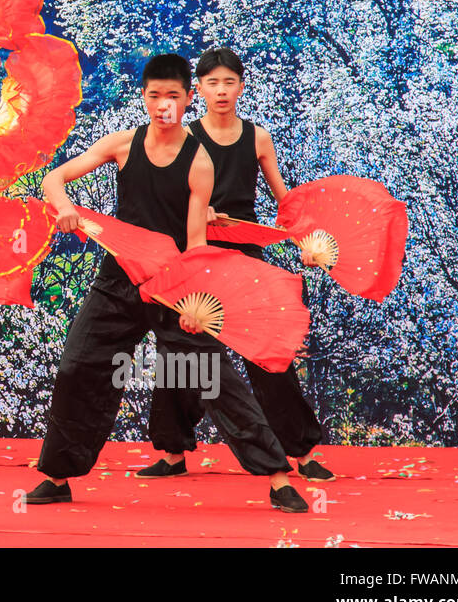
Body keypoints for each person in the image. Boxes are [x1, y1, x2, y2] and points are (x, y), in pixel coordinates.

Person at [24, 54, 309, 513]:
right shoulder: (121, 144)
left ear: (187, 99)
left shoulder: (199, 164)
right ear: (144, 98)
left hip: (175, 288)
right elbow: (54, 176)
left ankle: (277, 477)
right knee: (77, 366)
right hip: (117, 282)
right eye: (154, 96)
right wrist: (63, 206)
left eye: (173, 96)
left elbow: (197, 245)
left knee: (214, 378)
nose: (163, 105)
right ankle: (57, 476)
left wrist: (196, 304)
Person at [140, 47, 333, 482]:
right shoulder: (184, 137)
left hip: (245, 258)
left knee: (269, 354)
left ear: (241, 87)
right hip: (197, 254)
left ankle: (301, 453)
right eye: (212, 83)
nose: (221, 90)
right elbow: (166, 196)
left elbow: (285, 201)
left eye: (229, 82)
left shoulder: (257, 138)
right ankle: (172, 452)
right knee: (185, 353)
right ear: (198, 91)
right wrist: (197, 210)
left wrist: (306, 239)